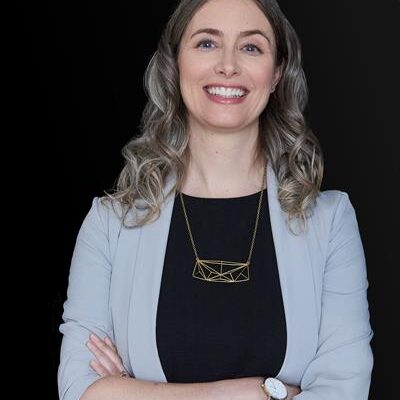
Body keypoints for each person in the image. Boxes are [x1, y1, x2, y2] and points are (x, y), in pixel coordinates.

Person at [58, 0, 374, 399]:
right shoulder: (109, 225)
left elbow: (344, 391)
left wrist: (130, 391)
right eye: (207, 43)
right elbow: (80, 390)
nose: (228, 65)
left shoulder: (330, 223)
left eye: (251, 47)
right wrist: (258, 392)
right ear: (175, 64)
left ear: (277, 73)